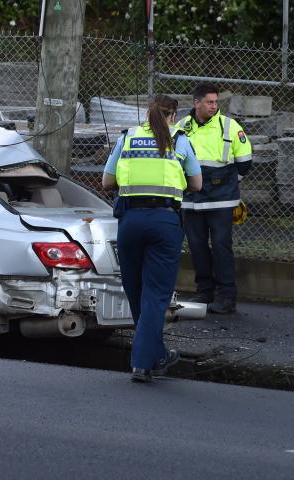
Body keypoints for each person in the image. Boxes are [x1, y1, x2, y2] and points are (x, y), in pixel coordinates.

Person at [102, 95, 202, 382]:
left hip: (130, 222)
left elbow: (107, 182)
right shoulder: (180, 140)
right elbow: (197, 183)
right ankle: (142, 363)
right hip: (164, 222)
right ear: (174, 116)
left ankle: (156, 354)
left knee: (136, 291)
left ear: (148, 113)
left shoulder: (128, 138)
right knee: (156, 295)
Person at [176, 83, 253, 314]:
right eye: (209, 102)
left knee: (221, 246)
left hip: (221, 200)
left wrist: (227, 184)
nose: (214, 106)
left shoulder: (229, 126)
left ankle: (226, 296)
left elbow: (245, 162)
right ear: (196, 102)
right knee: (197, 246)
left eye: (216, 102)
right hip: (191, 199)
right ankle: (204, 291)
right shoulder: (181, 127)